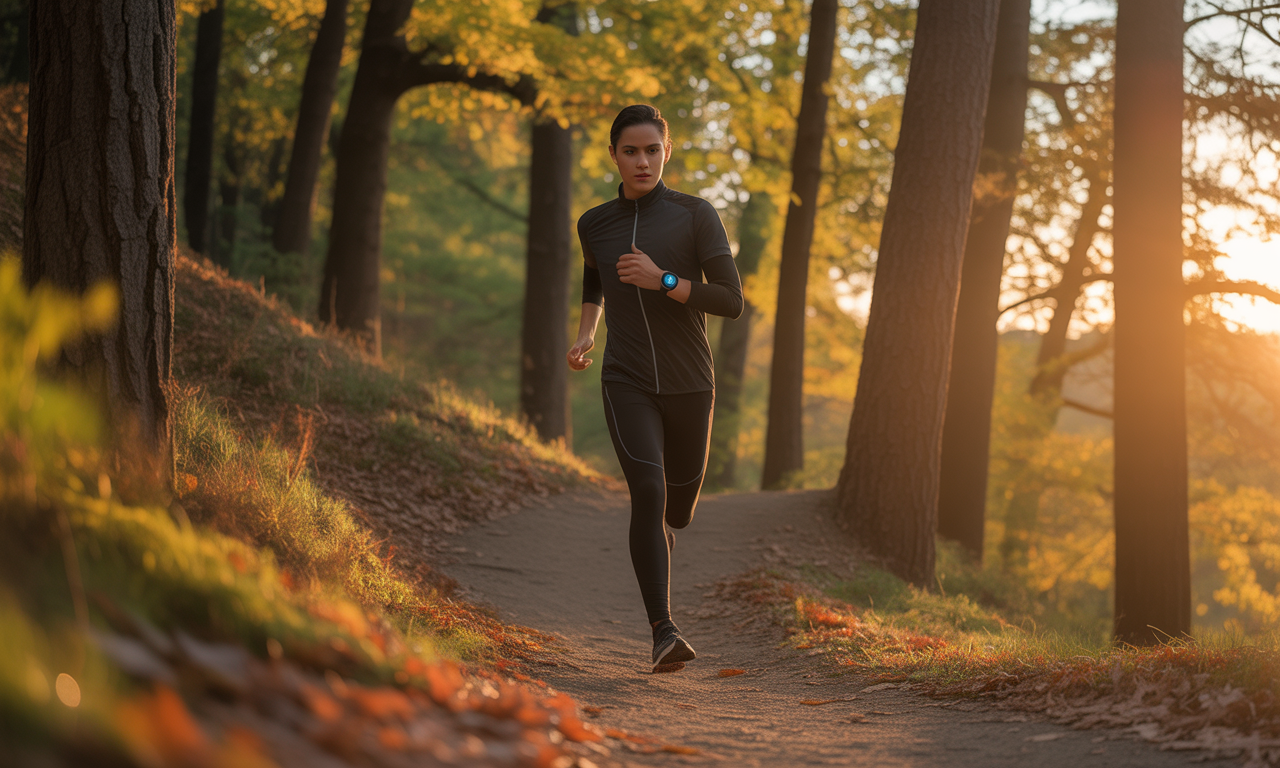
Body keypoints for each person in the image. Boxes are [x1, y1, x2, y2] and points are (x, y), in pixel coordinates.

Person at [567, 104, 744, 671]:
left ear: (667, 151)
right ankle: (663, 631)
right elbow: (594, 278)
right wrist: (586, 333)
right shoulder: (594, 223)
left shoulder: (696, 215)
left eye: (651, 150)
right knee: (648, 489)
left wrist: (663, 279)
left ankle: (670, 531)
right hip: (627, 377)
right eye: (630, 151)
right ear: (613, 156)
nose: (641, 161)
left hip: (690, 382)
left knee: (678, 509)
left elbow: (731, 301)